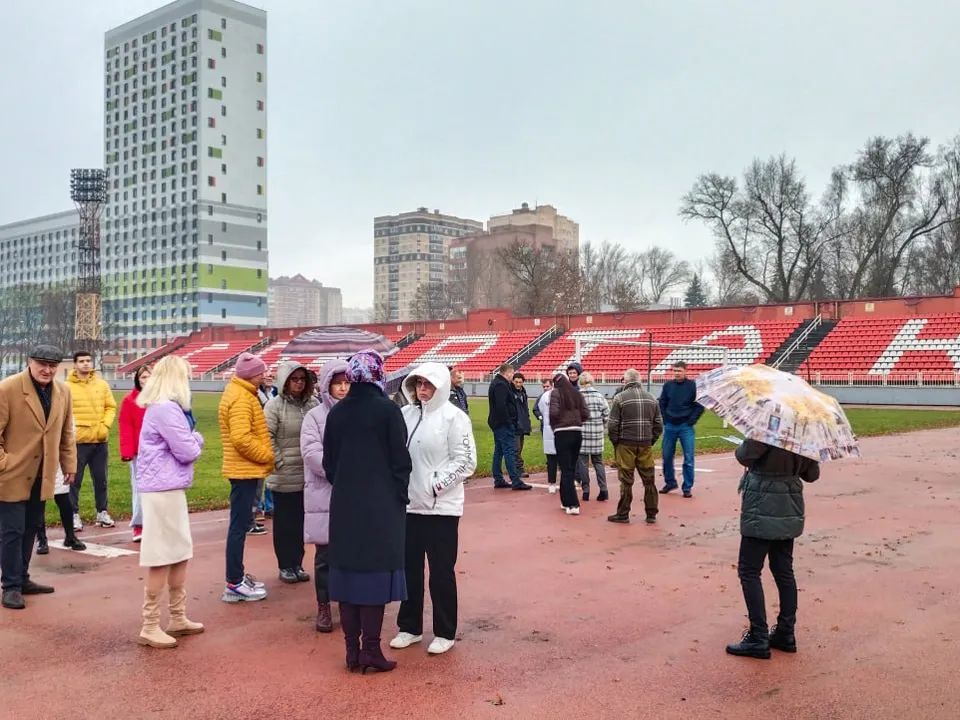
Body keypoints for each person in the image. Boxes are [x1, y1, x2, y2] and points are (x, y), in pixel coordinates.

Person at [322, 350, 412, 674]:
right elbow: (401, 462)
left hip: (345, 505)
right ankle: (371, 651)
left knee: (347, 577)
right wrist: (397, 494)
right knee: (374, 577)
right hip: (381, 506)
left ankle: (352, 651)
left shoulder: (336, 414)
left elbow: (328, 465)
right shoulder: (388, 411)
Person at [391, 362, 477, 656]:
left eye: (428, 384)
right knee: (409, 570)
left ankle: (444, 631)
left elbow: (466, 461)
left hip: (442, 509)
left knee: (441, 572)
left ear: (440, 386)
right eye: (418, 384)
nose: (422, 390)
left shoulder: (455, 418)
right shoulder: (405, 414)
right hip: (409, 507)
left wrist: (434, 486)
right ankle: (409, 627)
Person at [134, 356, 205, 648]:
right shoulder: (166, 408)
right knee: (161, 554)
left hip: (168, 486)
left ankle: (177, 616)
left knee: (178, 551)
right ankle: (150, 625)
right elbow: (187, 450)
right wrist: (198, 439)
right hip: (161, 489)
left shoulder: (164, 407)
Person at [726, 439, 820, 660]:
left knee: (749, 570)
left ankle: (758, 635)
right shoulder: (803, 434)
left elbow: (743, 455)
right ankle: (786, 632)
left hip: (762, 502)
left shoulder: (767, 429)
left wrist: (748, 439)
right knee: (783, 570)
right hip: (789, 504)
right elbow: (812, 474)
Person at [0, 345, 77, 610]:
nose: (47, 370)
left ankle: (22, 579)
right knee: (12, 531)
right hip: (11, 474)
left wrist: (69, 463)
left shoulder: (63, 392)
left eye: (53, 365)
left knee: (32, 526)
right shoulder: (7, 389)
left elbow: (66, 432)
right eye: (42, 364)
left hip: (43, 473)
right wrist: (5, 464)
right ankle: (10, 586)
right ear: (29, 362)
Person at [218, 352, 274, 603]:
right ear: (252, 375)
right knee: (239, 526)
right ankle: (234, 582)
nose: (265, 375)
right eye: (261, 372)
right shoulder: (241, 398)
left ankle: (237, 576)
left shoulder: (242, 393)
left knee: (241, 524)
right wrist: (266, 455)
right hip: (244, 469)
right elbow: (241, 438)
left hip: (244, 468)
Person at [301, 359, 351, 633]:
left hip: (351, 494)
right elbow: (311, 453)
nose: (343, 389)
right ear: (327, 386)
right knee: (324, 555)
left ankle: (345, 601)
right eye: (338, 384)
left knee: (348, 553)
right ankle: (323, 605)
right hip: (324, 492)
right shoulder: (314, 416)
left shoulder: (355, 413)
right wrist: (339, 470)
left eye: (346, 383)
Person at [264, 361, 318, 584]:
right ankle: (285, 564)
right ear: (285, 381)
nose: (298, 383)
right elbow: (267, 436)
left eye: (302, 379)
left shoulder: (313, 404)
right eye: (294, 379)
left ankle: (297, 562)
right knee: (285, 523)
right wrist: (280, 461)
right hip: (285, 474)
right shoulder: (274, 406)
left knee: (301, 523)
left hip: (308, 475)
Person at [66, 350, 117, 530]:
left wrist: (105, 426)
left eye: (88, 360)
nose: (86, 364)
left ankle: (102, 512)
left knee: (101, 479)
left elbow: (111, 406)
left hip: (99, 440)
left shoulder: (102, 385)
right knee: (74, 481)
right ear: (75, 364)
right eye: (81, 361)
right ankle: (73, 515)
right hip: (78, 442)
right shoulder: (67, 387)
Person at [606, 369, 663, 524]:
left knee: (626, 480)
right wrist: (651, 440)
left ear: (626, 381)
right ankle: (651, 513)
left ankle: (623, 513)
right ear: (639, 381)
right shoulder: (652, 398)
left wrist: (615, 442)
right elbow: (659, 424)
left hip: (625, 443)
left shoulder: (619, 398)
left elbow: (612, 425)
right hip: (645, 444)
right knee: (649, 480)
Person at [658, 360, 704, 498]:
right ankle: (670, 482)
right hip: (670, 425)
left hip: (686, 426)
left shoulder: (692, 386)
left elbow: (700, 404)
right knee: (666, 456)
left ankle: (687, 486)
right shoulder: (668, 386)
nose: (676, 373)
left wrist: (692, 420)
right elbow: (662, 402)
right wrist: (665, 418)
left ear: (685, 371)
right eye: (674, 371)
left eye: (679, 371)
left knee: (688, 458)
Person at [119, 365, 151, 543]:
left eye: (148, 377)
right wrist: (127, 451)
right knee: (139, 490)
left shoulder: (161, 400)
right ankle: (139, 525)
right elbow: (126, 427)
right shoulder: (130, 401)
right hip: (140, 453)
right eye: (143, 377)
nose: (146, 380)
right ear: (138, 380)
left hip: (159, 453)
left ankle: (156, 524)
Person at [487, 363, 531, 491]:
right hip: (503, 424)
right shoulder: (501, 385)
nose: (512, 376)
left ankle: (499, 478)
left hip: (498, 423)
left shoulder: (497, 383)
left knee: (499, 451)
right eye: (512, 373)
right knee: (509, 451)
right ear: (508, 372)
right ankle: (515, 479)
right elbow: (502, 406)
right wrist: (509, 422)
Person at [549, 373, 589, 515]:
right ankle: (565, 500)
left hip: (562, 432)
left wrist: (559, 423)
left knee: (566, 469)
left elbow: (553, 413)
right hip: (577, 432)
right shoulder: (577, 394)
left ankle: (573, 504)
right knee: (570, 467)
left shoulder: (555, 393)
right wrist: (576, 420)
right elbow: (586, 413)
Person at [577, 372, 610, 502]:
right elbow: (606, 414)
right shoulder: (599, 396)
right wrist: (600, 422)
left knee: (583, 463)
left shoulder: (578, 397)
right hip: (596, 434)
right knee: (598, 462)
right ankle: (603, 489)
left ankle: (586, 490)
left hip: (582, 434)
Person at [254, 371, 277, 524]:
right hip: (259, 436)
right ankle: (256, 507)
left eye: (271, 375)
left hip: (273, 435)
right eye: (266, 374)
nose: (269, 377)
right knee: (258, 476)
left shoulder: (276, 392)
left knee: (272, 473)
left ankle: (269, 506)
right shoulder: (255, 394)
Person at [533, 379, 558, 493]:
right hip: (550, 429)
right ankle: (553, 481)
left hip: (554, 429)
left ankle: (555, 482)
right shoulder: (542, 397)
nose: (545, 388)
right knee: (552, 457)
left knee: (556, 457)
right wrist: (540, 417)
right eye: (544, 386)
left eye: (547, 386)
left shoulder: (552, 397)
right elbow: (537, 409)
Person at [511, 372, 532, 478]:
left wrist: (527, 422)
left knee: (520, 448)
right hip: (514, 425)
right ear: (512, 381)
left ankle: (515, 468)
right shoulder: (510, 393)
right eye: (516, 382)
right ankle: (519, 469)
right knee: (516, 448)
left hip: (522, 424)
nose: (518, 384)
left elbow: (525, 409)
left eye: (520, 382)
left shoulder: (523, 393)